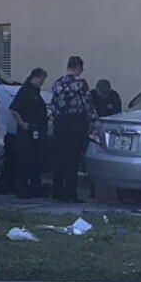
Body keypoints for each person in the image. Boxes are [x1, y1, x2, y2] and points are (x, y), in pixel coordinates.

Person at [50, 56, 94, 203]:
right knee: (73, 158)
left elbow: (53, 105)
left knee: (59, 157)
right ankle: (70, 192)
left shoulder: (57, 83)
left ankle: (57, 191)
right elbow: (87, 103)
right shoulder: (80, 84)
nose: (82, 70)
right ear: (78, 67)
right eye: (81, 67)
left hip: (60, 123)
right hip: (76, 123)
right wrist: (93, 120)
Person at [9, 68, 49, 200]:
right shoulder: (25, 91)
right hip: (27, 133)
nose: (42, 83)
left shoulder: (35, 91)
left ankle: (35, 187)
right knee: (25, 161)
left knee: (35, 161)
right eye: (41, 80)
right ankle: (22, 189)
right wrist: (22, 123)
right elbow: (14, 109)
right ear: (34, 78)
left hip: (37, 132)